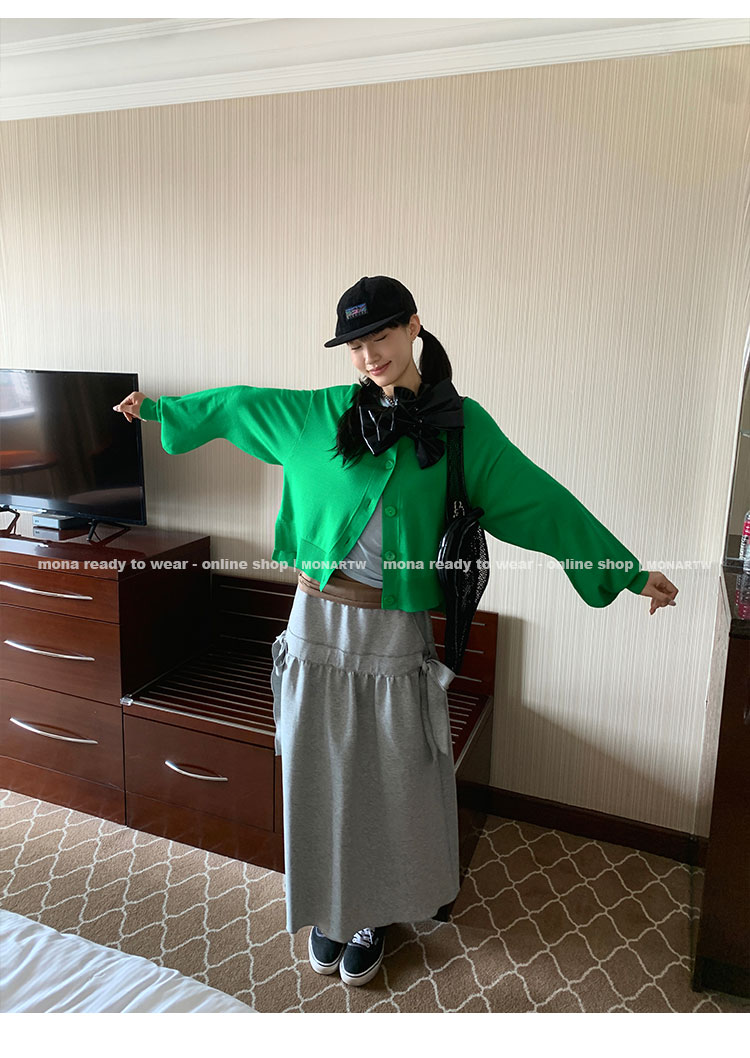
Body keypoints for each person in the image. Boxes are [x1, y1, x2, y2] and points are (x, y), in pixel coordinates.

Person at [113, 274, 678, 988]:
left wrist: (626, 572)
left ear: (414, 326)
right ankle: (330, 907)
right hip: (315, 624)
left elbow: (540, 500)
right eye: (354, 345)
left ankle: (375, 912)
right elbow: (236, 405)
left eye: (380, 335)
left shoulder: (460, 427)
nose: (369, 355)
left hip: (394, 632)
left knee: (389, 780)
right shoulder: (315, 416)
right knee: (317, 772)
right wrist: (159, 409)